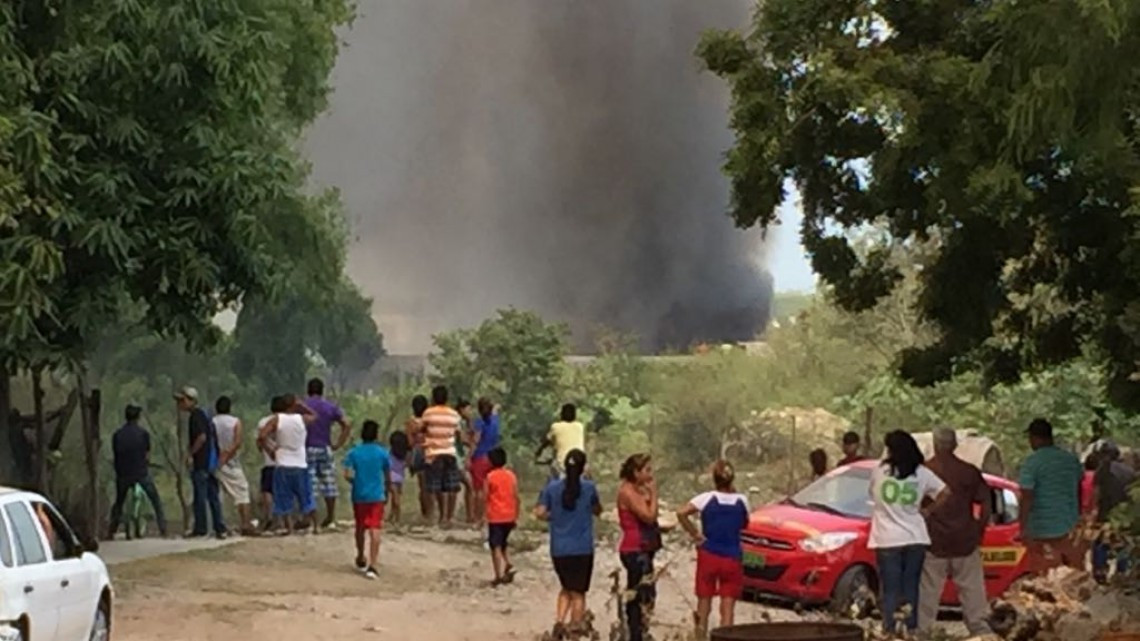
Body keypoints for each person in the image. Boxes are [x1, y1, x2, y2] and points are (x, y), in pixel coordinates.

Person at [869, 429, 950, 635]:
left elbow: (871, 494)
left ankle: (890, 631)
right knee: (910, 588)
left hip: (887, 539)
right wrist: (927, 511)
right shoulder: (921, 472)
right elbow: (945, 492)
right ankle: (909, 630)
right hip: (915, 537)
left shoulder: (880, 471)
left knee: (891, 590)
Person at [918, 428, 992, 636]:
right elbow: (986, 502)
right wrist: (979, 530)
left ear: (934, 443)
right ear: (955, 445)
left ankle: (921, 633)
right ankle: (982, 633)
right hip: (965, 540)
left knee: (928, 593)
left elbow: (914, 506)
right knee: (973, 594)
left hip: (934, 541)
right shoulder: (968, 472)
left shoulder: (924, 471)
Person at [676, 460, 749, 637]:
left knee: (704, 601)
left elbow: (681, 513)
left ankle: (700, 636)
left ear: (714, 478)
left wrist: (695, 534)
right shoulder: (742, 500)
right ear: (732, 479)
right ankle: (726, 637)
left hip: (709, 554)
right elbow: (745, 524)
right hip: (732, 556)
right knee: (728, 606)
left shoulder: (705, 498)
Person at [535, 449, 600, 639]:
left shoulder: (552, 488)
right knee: (578, 592)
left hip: (559, 548)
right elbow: (597, 510)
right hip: (582, 548)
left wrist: (554, 518)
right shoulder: (589, 488)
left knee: (566, 587)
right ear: (583, 467)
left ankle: (559, 622)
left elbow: (539, 512)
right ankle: (574, 631)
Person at [1019, 418, 1084, 575]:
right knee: (1074, 577)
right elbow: (1078, 489)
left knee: (1045, 578)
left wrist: (1023, 528)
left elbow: (1027, 496)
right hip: (1069, 528)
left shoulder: (1032, 463)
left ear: (1034, 438)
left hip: (1042, 531)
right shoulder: (1071, 460)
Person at [259, 394, 319, 536]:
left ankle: (290, 528)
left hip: (283, 462)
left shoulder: (277, 419)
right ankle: (316, 526)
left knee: (284, 497)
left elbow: (262, 436)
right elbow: (315, 416)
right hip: (300, 462)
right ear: (293, 405)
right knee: (306, 496)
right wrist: (302, 405)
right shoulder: (301, 419)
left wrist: (271, 449)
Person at [616, 453, 661, 641]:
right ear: (636, 472)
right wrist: (654, 493)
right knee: (639, 594)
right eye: (647, 470)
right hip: (635, 548)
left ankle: (640, 630)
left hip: (643, 547)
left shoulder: (637, 490)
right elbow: (648, 516)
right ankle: (635, 634)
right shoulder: (627, 492)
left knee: (647, 592)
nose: (651, 474)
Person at [107, 404, 168, 538]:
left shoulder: (117, 435)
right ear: (138, 417)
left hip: (122, 473)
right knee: (155, 499)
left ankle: (111, 530)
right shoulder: (143, 434)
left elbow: (116, 454)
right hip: (140, 473)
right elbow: (147, 454)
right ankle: (163, 528)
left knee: (119, 502)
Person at [343, 419, 392, 580]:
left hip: (359, 495)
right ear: (376, 435)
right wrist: (387, 489)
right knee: (375, 528)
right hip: (377, 495)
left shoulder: (354, 452)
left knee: (360, 527)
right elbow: (387, 475)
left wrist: (356, 482)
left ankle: (360, 556)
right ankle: (374, 564)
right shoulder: (382, 453)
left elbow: (347, 474)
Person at [176, 386, 226, 539]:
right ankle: (219, 528)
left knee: (200, 496)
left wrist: (191, 454)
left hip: (202, 462)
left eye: (182, 400)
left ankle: (201, 528)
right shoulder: (205, 415)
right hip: (210, 462)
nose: (180, 404)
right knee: (213, 496)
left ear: (191, 401)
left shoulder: (196, 416)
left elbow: (202, 437)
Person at [304, 378, 352, 530]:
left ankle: (311, 520)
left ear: (308, 390)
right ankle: (330, 517)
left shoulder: (303, 406)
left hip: (307, 448)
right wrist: (338, 443)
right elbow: (346, 423)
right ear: (322, 390)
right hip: (325, 447)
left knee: (310, 485)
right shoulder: (329, 407)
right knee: (329, 483)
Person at [1090, 441, 1135, 582]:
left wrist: (1093, 509)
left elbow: (1096, 492)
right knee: (1123, 541)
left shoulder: (1104, 469)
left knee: (1100, 541)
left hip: (1106, 511)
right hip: (1125, 514)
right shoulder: (1130, 471)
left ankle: (1100, 570)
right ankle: (1123, 570)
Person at [212, 396, 255, 536]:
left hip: (214, 462)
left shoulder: (212, 422)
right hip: (231, 463)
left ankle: (218, 524)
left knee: (217, 495)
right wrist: (226, 456)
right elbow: (237, 443)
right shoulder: (235, 422)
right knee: (242, 493)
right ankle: (245, 524)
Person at [422, 386, 462, 527]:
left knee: (434, 487)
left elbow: (422, 428)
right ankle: (448, 518)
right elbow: (458, 434)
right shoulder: (454, 415)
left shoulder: (428, 413)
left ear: (433, 398)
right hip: (450, 452)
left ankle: (435, 517)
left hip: (433, 453)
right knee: (450, 487)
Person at [485, 446, 519, 586]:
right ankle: (508, 563)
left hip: (495, 516)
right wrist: (517, 514)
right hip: (510, 515)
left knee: (495, 546)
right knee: (503, 543)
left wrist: (482, 515)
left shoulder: (490, 477)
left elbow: (485, 496)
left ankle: (498, 575)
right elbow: (516, 496)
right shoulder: (511, 476)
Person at [469, 398, 501, 523]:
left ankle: (478, 517)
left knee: (479, 490)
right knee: (491, 489)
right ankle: (490, 516)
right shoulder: (495, 421)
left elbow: (476, 441)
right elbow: (496, 410)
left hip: (480, 457)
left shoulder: (480, 422)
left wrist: (469, 457)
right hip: (493, 457)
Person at [537, 404, 585, 479]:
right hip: (579, 464)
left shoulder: (556, 427)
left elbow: (546, 442)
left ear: (561, 415)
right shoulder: (580, 427)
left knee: (553, 477)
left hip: (562, 465)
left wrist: (538, 452)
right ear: (575, 416)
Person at [404, 395, 431, 520]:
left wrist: (408, 460)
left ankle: (426, 514)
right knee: (432, 486)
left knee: (423, 486)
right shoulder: (430, 421)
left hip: (417, 453)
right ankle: (432, 513)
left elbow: (409, 443)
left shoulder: (410, 422)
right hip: (431, 451)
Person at [257, 398, 281, 532]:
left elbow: (259, 441)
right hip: (284, 462)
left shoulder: (263, 422)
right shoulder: (286, 421)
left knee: (267, 491)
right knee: (281, 492)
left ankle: (269, 517)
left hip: (268, 462)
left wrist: (266, 451)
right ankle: (280, 520)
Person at [455, 399, 476, 524]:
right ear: (462, 409)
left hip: (462, 456)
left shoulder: (464, 422)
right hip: (458, 456)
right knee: (469, 485)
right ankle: (470, 516)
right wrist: (472, 442)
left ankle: (469, 515)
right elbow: (462, 438)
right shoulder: (457, 421)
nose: (470, 412)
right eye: (468, 409)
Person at [388, 431, 410, 525]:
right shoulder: (405, 454)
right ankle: (392, 517)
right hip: (400, 477)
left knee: (395, 499)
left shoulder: (390, 453)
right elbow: (407, 464)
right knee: (396, 498)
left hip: (391, 477)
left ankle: (397, 518)